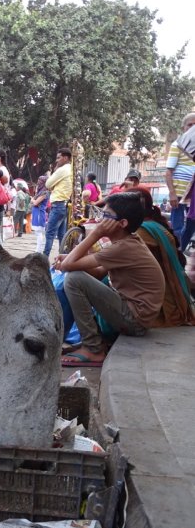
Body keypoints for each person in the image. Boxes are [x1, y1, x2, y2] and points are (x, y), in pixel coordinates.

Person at [55, 191, 165, 367]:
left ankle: (93, 348)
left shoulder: (124, 247)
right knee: (76, 276)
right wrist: (69, 258)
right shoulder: (126, 242)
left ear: (122, 223)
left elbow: (69, 266)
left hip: (135, 321)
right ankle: (93, 342)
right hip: (135, 315)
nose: (100, 220)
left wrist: (96, 234)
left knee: (73, 279)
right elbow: (99, 272)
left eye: (106, 216)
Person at [132, 186, 195, 327]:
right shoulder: (153, 226)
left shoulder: (141, 232)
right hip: (168, 303)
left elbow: (103, 269)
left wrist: (98, 233)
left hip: (159, 310)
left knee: (77, 280)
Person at [165, 112, 195, 246]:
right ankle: (177, 253)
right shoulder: (177, 145)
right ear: (183, 128)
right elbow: (168, 172)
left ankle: (181, 251)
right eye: (190, 125)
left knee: (190, 225)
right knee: (177, 227)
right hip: (178, 192)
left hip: (192, 193)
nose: (193, 128)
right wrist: (172, 193)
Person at [44, 147, 72, 258]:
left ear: (65, 158)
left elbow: (48, 184)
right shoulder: (71, 169)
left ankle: (44, 259)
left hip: (58, 205)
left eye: (59, 158)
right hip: (64, 205)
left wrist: (55, 170)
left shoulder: (62, 170)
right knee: (61, 235)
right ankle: (63, 260)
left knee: (49, 233)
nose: (57, 160)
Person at [30, 174, 50, 253]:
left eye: (40, 181)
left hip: (39, 213)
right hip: (37, 212)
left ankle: (39, 250)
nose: (38, 182)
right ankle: (38, 249)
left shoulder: (44, 193)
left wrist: (32, 200)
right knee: (37, 232)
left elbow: (35, 203)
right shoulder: (40, 191)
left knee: (39, 232)